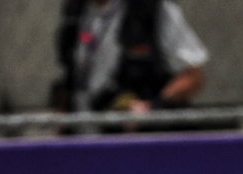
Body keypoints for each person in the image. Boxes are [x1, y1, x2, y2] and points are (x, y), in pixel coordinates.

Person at [55, 0, 208, 116]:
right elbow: (70, 73)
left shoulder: (150, 8)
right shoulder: (76, 12)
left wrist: (153, 106)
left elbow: (192, 77)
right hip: (83, 130)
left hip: (135, 136)